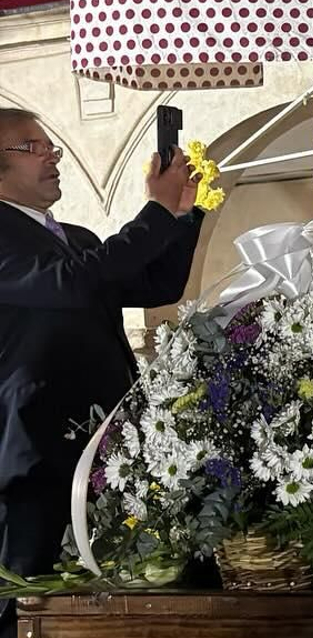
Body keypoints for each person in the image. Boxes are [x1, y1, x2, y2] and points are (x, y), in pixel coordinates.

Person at [0, 111, 203, 581]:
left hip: (105, 441)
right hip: (36, 452)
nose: (52, 156)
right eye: (33, 147)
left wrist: (179, 214)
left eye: (53, 146)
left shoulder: (76, 238)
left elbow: (157, 285)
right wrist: (154, 213)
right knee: (32, 591)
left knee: (104, 583)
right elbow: (71, 285)